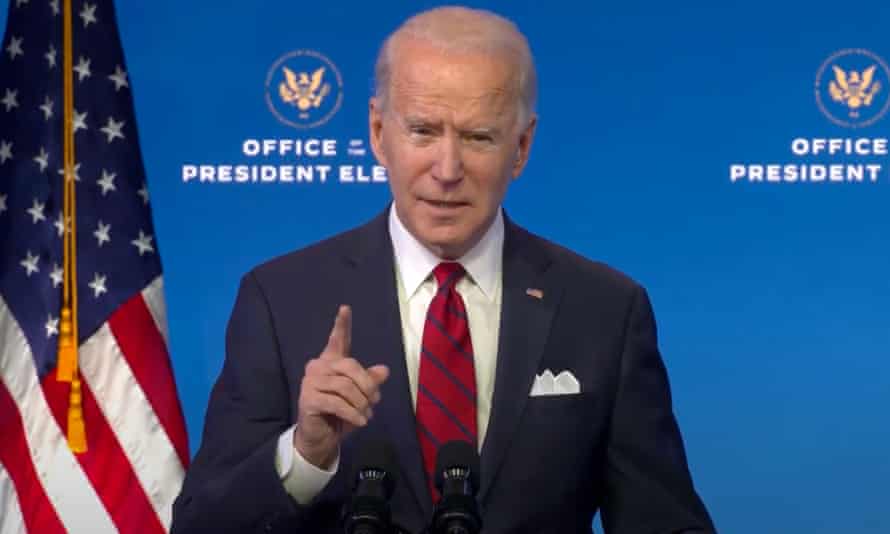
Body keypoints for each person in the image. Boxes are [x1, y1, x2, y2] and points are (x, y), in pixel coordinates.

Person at [171, 6, 715, 534]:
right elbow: (200, 525)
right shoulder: (281, 300)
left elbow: (664, 520)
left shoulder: (604, 310)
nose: (448, 170)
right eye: (424, 132)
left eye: (478, 137)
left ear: (521, 147)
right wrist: (304, 454)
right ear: (379, 132)